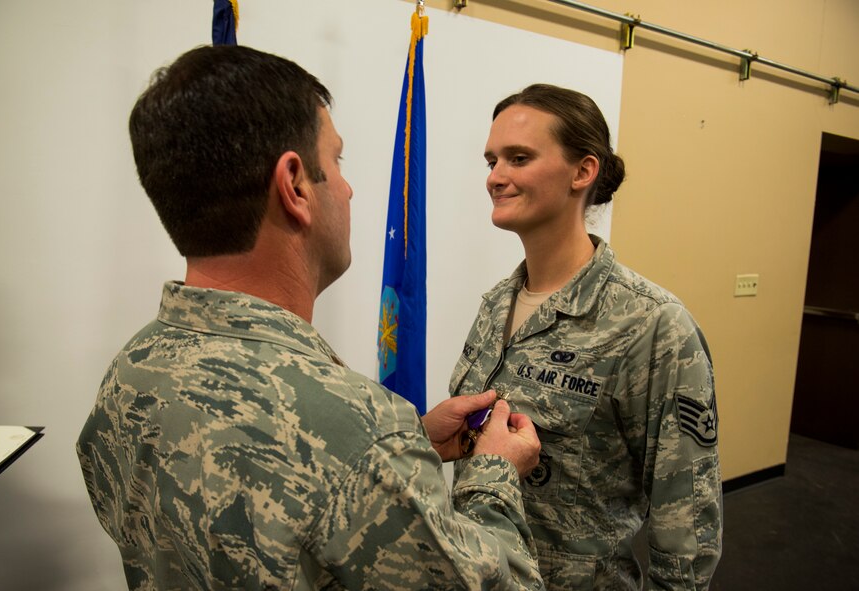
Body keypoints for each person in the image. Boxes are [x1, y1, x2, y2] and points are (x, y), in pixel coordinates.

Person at [76, 45, 546, 591]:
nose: (347, 188)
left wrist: (407, 448)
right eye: (337, 161)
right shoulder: (360, 431)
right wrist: (491, 474)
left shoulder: (131, 373)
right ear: (295, 185)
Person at [449, 84, 722, 590]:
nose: (495, 177)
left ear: (583, 171)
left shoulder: (651, 324)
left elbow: (686, 524)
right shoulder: (495, 305)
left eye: (518, 158)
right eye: (492, 160)